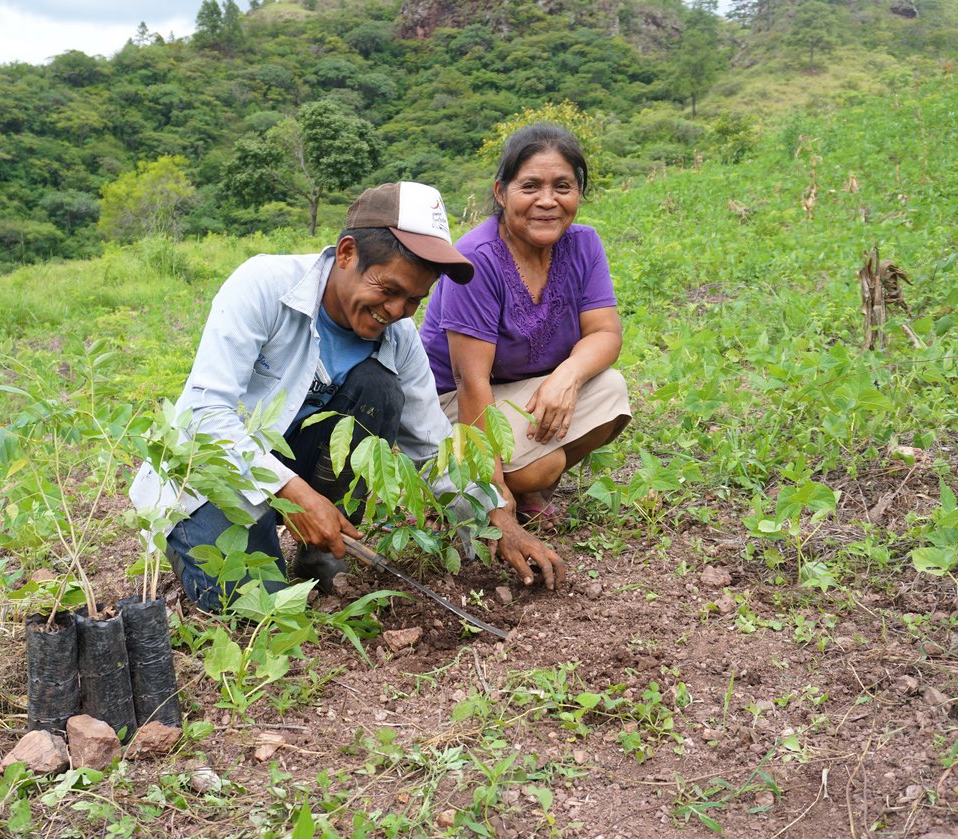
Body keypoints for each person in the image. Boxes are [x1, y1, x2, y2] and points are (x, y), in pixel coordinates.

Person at [129, 181, 565, 612]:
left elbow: (432, 447)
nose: (395, 311)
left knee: (379, 389)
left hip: (294, 464)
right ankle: (256, 538)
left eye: (414, 299)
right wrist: (292, 492)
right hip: (209, 476)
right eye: (388, 289)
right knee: (264, 610)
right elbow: (206, 416)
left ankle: (321, 549)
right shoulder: (264, 286)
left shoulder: (398, 338)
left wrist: (498, 519)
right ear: (347, 253)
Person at [419, 125, 631, 530]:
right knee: (543, 466)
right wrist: (493, 500)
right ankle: (503, 486)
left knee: (612, 392)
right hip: (449, 403)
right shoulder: (477, 258)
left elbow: (605, 332)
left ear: (578, 194)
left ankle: (525, 479)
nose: (548, 201)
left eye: (563, 186)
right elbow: (470, 382)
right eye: (530, 186)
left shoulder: (583, 244)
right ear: (502, 193)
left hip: (523, 392)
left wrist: (566, 376)